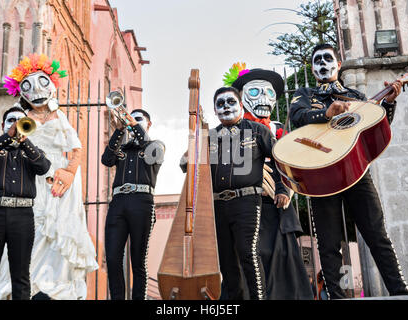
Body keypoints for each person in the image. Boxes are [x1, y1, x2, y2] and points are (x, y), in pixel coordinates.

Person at [289, 43, 408, 299]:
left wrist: (388, 105)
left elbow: (375, 127)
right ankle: (337, 296)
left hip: (356, 172)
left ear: (339, 64)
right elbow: (296, 117)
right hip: (321, 174)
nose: (323, 63)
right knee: (329, 242)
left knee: (377, 234)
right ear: (312, 69)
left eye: (328, 59)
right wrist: (326, 113)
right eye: (318, 60)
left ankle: (400, 292)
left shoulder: (356, 97)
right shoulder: (303, 95)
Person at [0, 53, 98, 300]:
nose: (38, 91)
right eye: (28, 85)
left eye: (42, 82)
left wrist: (70, 171)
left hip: (58, 180)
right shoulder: (21, 117)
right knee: (32, 230)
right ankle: (25, 286)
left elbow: (76, 147)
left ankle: (52, 287)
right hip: (30, 179)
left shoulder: (58, 116)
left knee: (57, 232)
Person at [181, 86, 278, 300]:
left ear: (241, 105)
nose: (226, 107)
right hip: (217, 206)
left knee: (248, 252)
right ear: (215, 111)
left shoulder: (257, 130)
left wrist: (282, 190)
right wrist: (190, 153)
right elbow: (188, 168)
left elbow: (280, 159)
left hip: (247, 201)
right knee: (226, 260)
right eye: (220, 104)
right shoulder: (209, 136)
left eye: (231, 102)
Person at [226, 64, 314, 300]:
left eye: (269, 93)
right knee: (251, 263)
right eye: (255, 92)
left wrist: (283, 187)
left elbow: (290, 165)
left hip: (278, 209)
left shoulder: (279, 130)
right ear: (241, 98)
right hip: (248, 208)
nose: (264, 98)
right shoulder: (232, 131)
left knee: (285, 264)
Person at [0, 106, 51, 300]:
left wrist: (24, 141)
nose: (15, 124)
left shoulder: (32, 151)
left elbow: (43, 167)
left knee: (21, 277)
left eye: (20, 121)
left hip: (22, 217)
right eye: (11, 120)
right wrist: (8, 137)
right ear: (3, 125)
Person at [101, 108, 165, 300]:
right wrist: (119, 129)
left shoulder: (155, 145)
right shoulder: (122, 150)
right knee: (112, 258)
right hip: (118, 203)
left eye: (138, 119)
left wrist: (134, 125)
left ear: (148, 124)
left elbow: (153, 155)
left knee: (138, 260)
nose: (132, 121)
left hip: (142, 203)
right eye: (131, 118)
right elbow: (106, 159)